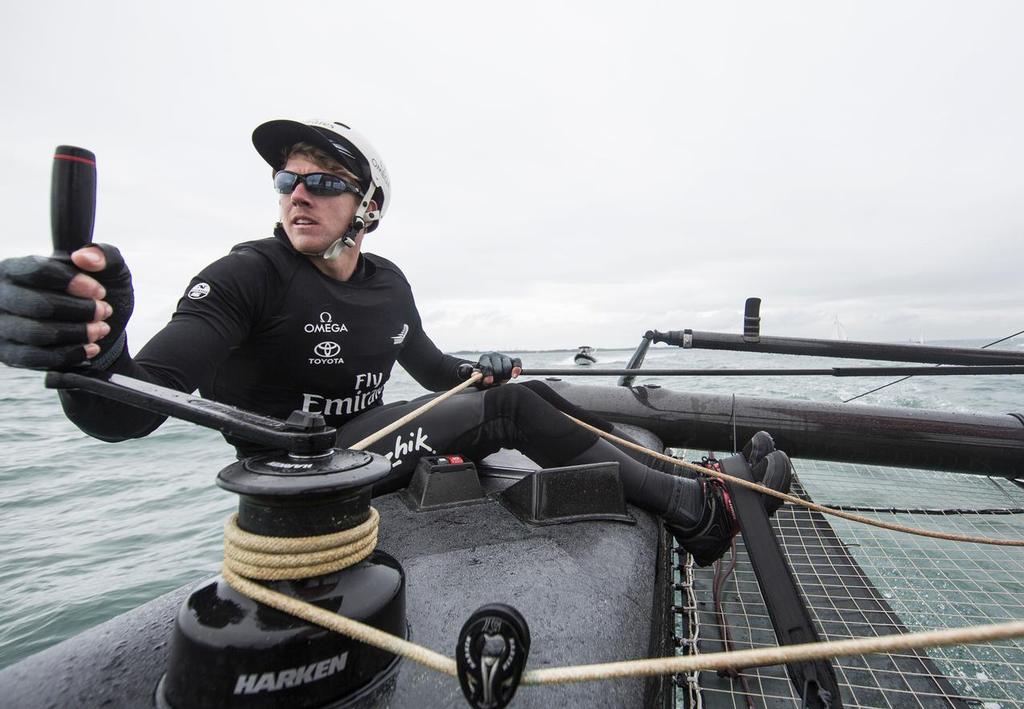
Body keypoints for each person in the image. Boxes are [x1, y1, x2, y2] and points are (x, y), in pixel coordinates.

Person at [0, 118, 792, 566]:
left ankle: (687, 481)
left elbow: (437, 372)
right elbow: (127, 413)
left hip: (368, 446)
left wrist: (479, 368)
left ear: (367, 206)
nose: (299, 193)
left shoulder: (388, 284)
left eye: (324, 182)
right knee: (515, 410)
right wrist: (93, 356)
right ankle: (701, 512)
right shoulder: (246, 276)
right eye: (288, 180)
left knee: (524, 396)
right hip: (300, 473)